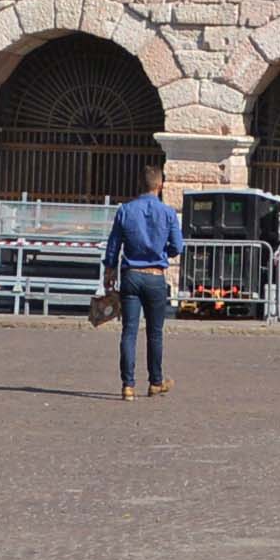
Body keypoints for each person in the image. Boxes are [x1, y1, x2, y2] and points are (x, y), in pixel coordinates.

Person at [104, 165, 182, 400]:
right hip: (155, 275)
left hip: (131, 274)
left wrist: (109, 269)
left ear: (141, 185)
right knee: (155, 333)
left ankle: (128, 385)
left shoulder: (126, 210)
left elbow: (113, 244)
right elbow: (177, 247)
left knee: (129, 332)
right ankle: (155, 381)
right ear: (160, 186)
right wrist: (162, 252)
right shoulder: (168, 213)